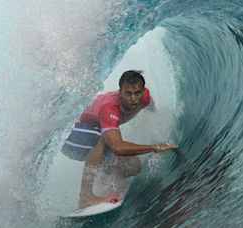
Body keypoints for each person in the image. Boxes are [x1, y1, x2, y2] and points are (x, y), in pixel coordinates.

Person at [61, 70, 177, 208]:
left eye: (137, 93)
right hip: (76, 135)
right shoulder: (110, 107)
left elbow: (151, 109)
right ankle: (85, 197)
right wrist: (156, 147)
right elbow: (117, 147)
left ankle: (104, 184)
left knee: (133, 167)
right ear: (120, 92)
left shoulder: (145, 97)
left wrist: (158, 126)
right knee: (107, 140)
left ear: (143, 91)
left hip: (96, 132)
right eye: (128, 93)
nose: (134, 98)